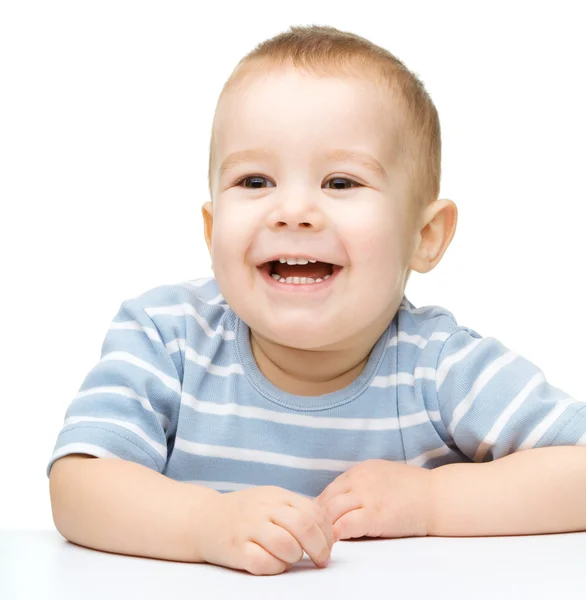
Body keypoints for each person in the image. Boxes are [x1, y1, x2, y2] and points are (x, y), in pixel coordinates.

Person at [47, 24, 586, 576]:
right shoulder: (168, 337)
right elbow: (78, 483)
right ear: (212, 232)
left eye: (341, 182)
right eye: (255, 181)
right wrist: (203, 522)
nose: (293, 210)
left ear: (424, 237)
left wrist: (434, 501)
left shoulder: (441, 366)